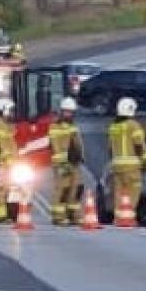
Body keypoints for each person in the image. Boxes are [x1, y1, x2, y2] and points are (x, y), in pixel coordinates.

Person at [107, 97, 146, 224]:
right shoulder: (134, 125)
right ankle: (128, 217)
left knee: (118, 191)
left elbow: (110, 148)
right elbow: (139, 145)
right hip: (132, 166)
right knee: (133, 190)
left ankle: (118, 217)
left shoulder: (113, 127)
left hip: (117, 165)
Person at [48, 96, 86, 225]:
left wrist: (81, 157)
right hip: (62, 163)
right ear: (61, 111)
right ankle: (58, 216)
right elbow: (55, 146)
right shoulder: (55, 127)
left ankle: (73, 214)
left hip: (74, 162)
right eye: (66, 111)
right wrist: (62, 163)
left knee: (77, 188)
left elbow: (77, 143)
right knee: (62, 189)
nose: (68, 114)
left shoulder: (73, 126)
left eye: (71, 112)